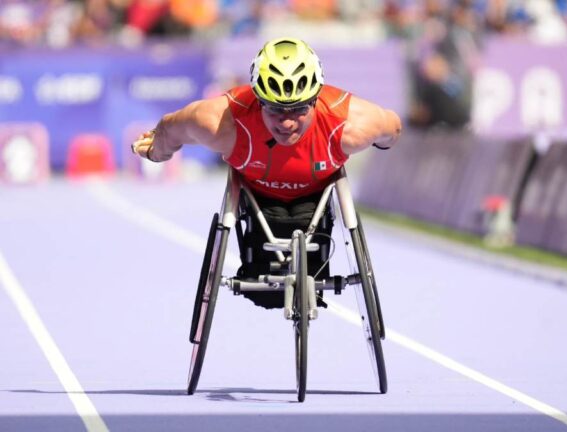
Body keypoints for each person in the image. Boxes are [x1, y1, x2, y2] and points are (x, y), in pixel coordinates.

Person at [131, 37, 402, 309]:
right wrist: (157, 151)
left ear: (315, 99)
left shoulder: (350, 124)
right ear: (259, 101)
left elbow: (393, 127)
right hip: (256, 201)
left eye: (298, 109)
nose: (286, 122)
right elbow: (170, 128)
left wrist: (384, 140)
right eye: (275, 110)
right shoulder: (221, 123)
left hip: (317, 200)